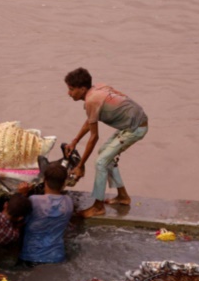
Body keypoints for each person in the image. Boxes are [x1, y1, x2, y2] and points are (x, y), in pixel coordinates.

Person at [63, 67, 148, 218]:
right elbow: (91, 119)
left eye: (71, 89)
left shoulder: (91, 100)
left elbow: (94, 137)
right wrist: (75, 141)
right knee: (104, 155)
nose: (69, 93)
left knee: (101, 162)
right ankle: (123, 197)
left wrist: (80, 165)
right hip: (132, 124)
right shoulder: (95, 90)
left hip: (135, 128)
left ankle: (98, 206)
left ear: (82, 89)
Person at [19, 164, 74, 265]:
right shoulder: (68, 202)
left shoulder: (33, 201)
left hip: (31, 257)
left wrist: (22, 195)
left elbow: (19, 219)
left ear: (45, 180)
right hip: (57, 257)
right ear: (63, 184)